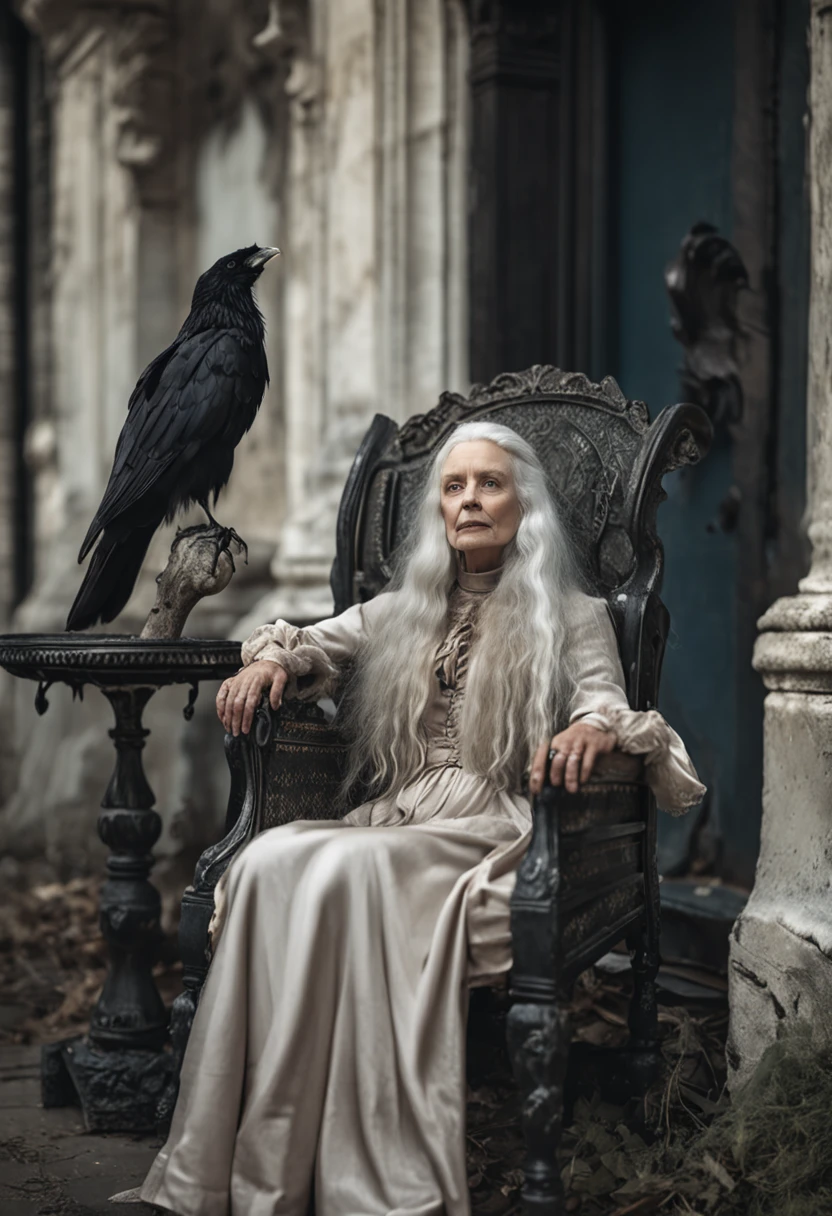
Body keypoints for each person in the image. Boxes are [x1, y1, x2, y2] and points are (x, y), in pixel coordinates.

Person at [135, 420, 704, 1216]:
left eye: (490, 483)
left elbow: (611, 706)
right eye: (454, 485)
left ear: (524, 504)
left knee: (341, 864)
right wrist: (272, 658)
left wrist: (588, 728)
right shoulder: (402, 609)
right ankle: (246, 1159)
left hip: (495, 824)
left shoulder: (573, 614)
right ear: (438, 507)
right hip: (398, 817)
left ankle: (360, 1168)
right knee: (265, 862)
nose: (470, 499)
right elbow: (312, 643)